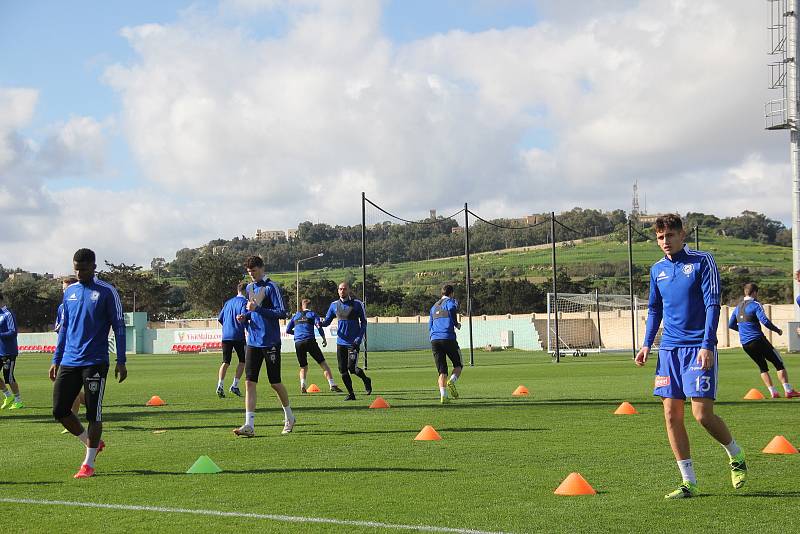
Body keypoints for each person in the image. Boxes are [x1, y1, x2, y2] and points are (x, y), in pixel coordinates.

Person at [635, 214, 746, 499]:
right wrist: (647, 344)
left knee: (701, 415)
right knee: (671, 416)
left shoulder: (702, 261)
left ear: (682, 235)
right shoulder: (657, 270)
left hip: (698, 347)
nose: (665, 242)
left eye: (670, 236)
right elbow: (654, 310)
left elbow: (713, 303)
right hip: (669, 350)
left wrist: (707, 344)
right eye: (660, 237)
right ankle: (689, 482)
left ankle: (735, 454)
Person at [51, 248, 127, 479]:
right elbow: (64, 328)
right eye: (76, 269)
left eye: (84, 269)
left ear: (94, 267)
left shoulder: (107, 291)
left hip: (95, 361)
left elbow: (119, 326)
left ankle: (88, 463)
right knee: (60, 410)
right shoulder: (70, 292)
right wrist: (56, 358)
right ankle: (91, 442)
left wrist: (121, 360)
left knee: (93, 413)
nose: (80, 273)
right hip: (69, 360)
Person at [232, 256, 294, 437]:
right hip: (253, 341)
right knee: (249, 382)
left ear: (262, 268)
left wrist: (257, 310)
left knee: (275, 383)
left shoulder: (271, 287)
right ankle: (249, 425)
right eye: (249, 272)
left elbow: (281, 312)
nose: (252, 275)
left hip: (270, 342)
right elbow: (250, 310)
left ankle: (289, 417)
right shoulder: (250, 288)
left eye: (254, 271)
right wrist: (245, 316)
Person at [728, 283, 799, 399]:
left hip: (745, 344)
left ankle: (773, 392)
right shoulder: (755, 305)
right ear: (755, 292)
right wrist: (777, 330)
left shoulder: (738, 307)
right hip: (758, 340)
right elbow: (765, 321)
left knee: (762, 367)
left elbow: (731, 324)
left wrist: (742, 331)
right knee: (778, 363)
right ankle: (788, 390)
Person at [319, 281, 372, 401]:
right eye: (340, 289)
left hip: (353, 342)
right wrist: (320, 323)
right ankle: (351, 394)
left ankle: (366, 379)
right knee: (342, 370)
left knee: (351, 368)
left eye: (344, 289)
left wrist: (358, 338)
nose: (342, 291)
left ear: (349, 290)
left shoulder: (357, 304)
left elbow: (364, 322)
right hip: (340, 342)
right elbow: (327, 322)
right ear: (338, 291)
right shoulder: (334, 305)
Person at [286, 298, 342, 393]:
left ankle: (303, 385)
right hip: (310, 340)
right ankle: (332, 384)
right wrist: (323, 338)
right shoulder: (312, 314)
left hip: (298, 343)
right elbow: (319, 326)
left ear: (302, 306)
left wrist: (296, 333)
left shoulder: (295, 316)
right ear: (310, 306)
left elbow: (287, 330)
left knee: (303, 367)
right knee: (323, 363)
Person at [56, 276, 85, 430]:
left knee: (69, 388)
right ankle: (92, 403)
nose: (65, 292)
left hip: (80, 352)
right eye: (63, 289)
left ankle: (73, 420)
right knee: (69, 388)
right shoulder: (62, 307)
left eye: (67, 289)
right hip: (66, 352)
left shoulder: (84, 304)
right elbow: (60, 328)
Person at [429, 284, 463, 404]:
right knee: (459, 365)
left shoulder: (434, 306)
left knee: (442, 371)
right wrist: (456, 324)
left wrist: (432, 337)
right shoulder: (450, 302)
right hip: (447, 337)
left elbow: (430, 325)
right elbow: (452, 309)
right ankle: (452, 381)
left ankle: (443, 396)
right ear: (451, 293)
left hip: (434, 340)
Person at [216, 282, 248, 398]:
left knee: (225, 362)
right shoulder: (244, 302)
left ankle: (220, 385)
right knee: (243, 361)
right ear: (245, 291)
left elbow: (220, 318)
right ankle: (234, 385)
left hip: (226, 336)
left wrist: (228, 326)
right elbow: (244, 317)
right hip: (238, 336)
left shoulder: (228, 302)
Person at [0, 292, 22, 410]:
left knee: (8, 377)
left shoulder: (8, 314)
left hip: (8, 351)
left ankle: (18, 400)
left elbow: (13, 332)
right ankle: (8, 396)